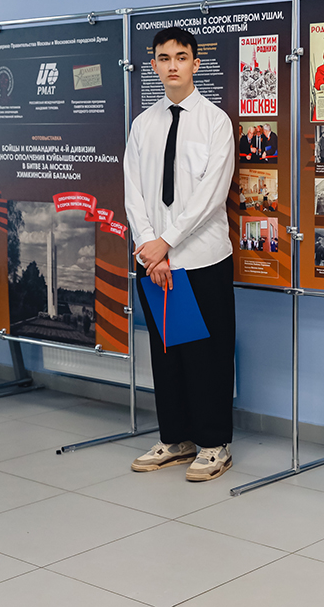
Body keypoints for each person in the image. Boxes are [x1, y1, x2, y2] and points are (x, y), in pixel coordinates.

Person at [123, 27, 236, 483]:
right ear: (153, 65)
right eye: (164, 58)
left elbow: (210, 195)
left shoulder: (215, 122)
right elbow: (134, 192)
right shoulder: (143, 125)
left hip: (203, 258)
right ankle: (175, 438)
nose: (173, 65)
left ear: (195, 63)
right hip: (155, 261)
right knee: (167, 351)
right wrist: (151, 248)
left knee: (207, 353)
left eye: (181, 57)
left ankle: (214, 443)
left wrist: (166, 242)